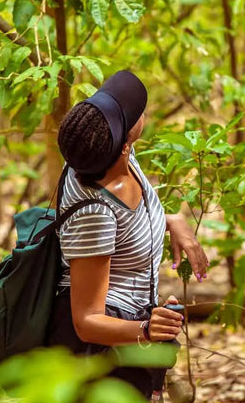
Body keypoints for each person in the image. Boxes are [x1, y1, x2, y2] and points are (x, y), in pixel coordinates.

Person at [47, 70, 208, 400]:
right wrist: (148, 331)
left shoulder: (109, 153)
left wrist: (172, 219)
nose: (139, 112)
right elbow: (87, 320)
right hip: (99, 352)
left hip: (132, 331)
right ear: (121, 147)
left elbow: (131, 217)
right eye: (131, 114)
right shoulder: (95, 212)